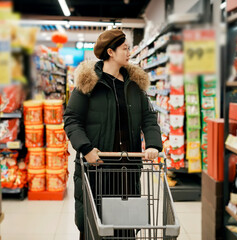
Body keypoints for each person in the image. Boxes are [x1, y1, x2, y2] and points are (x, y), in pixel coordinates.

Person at [63, 29, 163, 240]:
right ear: (110, 51)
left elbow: (148, 117)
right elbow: (72, 120)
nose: (129, 53)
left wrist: (153, 144)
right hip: (97, 167)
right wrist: (86, 149)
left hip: (128, 167)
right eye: (125, 48)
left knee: (125, 225)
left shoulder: (134, 85)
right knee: (95, 225)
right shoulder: (88, 84)